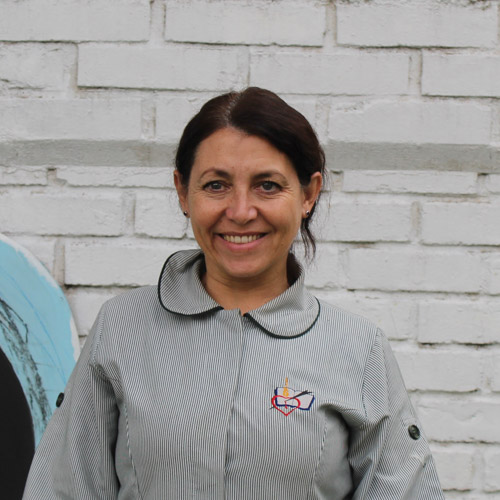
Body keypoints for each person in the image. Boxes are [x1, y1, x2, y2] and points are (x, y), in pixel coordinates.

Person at [23, 87, 444, 499]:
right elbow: (63, 489)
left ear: (308, 194)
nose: (241, 212)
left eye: (267, 185)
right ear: (182, 191)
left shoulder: (358, 349)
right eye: (216, 185)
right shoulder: (122, 328)